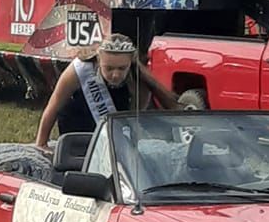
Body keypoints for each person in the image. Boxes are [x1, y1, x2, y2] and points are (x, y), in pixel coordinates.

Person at [34, 33, 177, 148]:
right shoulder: (80, 69)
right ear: (98, 60)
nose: (115, 74)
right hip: (77, 122)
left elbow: (132, 121)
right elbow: (54, 106)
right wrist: (41, 144)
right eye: (108, 68)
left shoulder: (140, 83)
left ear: (130, 63)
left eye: (122, 68)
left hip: (112, 125)